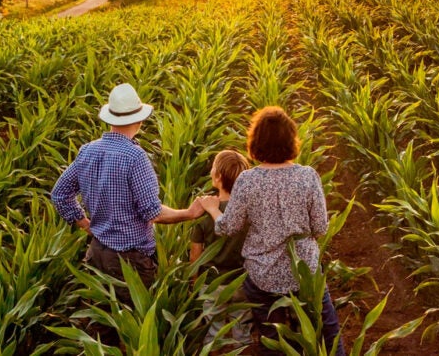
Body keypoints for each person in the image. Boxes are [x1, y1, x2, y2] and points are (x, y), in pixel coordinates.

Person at [199, 106, 346, 356]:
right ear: (291, 140)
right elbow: (320, 227)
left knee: (272, 339)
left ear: (255, 142)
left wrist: (213, 209)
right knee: (326, 332)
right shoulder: (308, 177)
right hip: (304, 273)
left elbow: (228, 227)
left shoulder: (247, 181)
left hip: (262, 276)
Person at [51, 83, 204, 302]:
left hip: (96, 253)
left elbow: (59, 194)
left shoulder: (88, 150)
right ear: (139, 121)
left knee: (100, 325)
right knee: (131, 326)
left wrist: (85, 224)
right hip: (129, 261)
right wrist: (189, 213)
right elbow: (154, 213)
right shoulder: (135, 157)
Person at [190, 149, 252, 345]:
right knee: (242, 330)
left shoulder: (204, 212)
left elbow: (195, 256)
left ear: (217, 177)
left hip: (213, 283)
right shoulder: (248, 210)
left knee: (213, 333)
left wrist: (195, 283)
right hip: (243, 281)